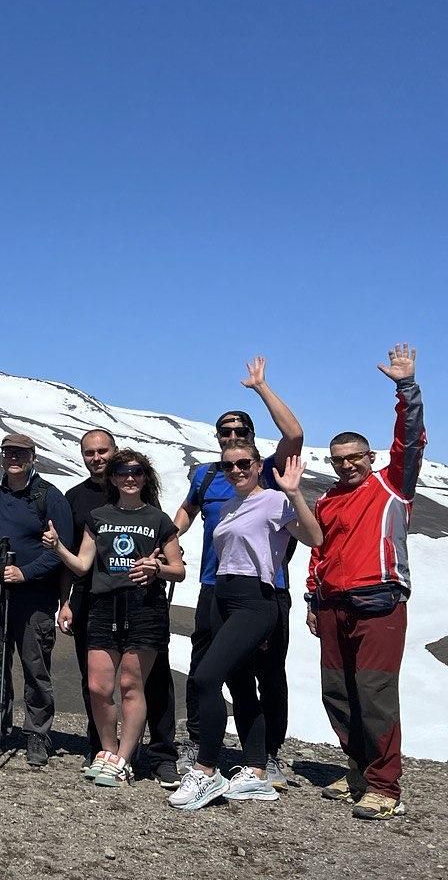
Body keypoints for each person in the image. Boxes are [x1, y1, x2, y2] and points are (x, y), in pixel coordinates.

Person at [168, 444, 322, 810]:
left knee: (206, 678)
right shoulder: (226, 506)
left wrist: (294, 491)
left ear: (257, 465)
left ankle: (206, 771)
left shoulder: (275, 501)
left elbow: (315, 538)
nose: (236, 470)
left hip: (255, 598)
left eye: (244, 463)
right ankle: (255, 773)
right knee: (239, 684)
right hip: (223, 594)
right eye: (228, 465)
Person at [172, 357, 303, 786]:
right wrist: (165, 544)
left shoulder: (263, 472)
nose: (232, 441)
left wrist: (261, 387)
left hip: (265, 590)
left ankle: (267, 754)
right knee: (207, 666)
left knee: (267, 672)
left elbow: (295, 434)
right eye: (225, 434)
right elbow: (187, 512)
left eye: (239, 433)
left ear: (251, 440)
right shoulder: (209, 475)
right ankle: (200, 742)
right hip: (213, 587)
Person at [307, 343, 425, 821]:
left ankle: (384, 786)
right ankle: (357, 772)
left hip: (380, 601)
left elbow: (411, 440)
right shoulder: (328, 500)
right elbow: (320, 551)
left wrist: (406, 387)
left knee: (374, 693)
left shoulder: (393, 484)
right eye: (339, 459)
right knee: (336, 692)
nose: (347, 465)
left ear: (370, 456)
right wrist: (314, 600)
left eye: (355, 457)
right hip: (334, 604)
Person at [44, 450, 185, 786]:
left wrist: (158, 569)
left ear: (145, 477)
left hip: (145, 607)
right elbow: (81, 565)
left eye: (136, 472)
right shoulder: (98, 516)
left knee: (131, 685)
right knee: (98, 686)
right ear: (113, 478)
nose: (129, 478)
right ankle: (107, 752)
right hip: (102, 605)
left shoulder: (159, 520)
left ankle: (124, 757)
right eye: (122, 472)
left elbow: (178, 570)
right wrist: (58, 548)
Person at [0, 433, 74, 767]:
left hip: (34, 598)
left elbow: (62, 552)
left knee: (35, 667)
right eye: (8, 453)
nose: (13, 458)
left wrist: (25, 573)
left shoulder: (49, 497)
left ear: (32, 456)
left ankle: (37, 734)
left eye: (20, 453)